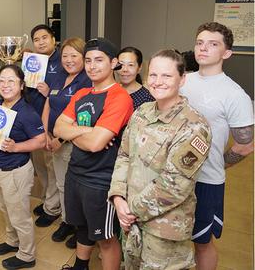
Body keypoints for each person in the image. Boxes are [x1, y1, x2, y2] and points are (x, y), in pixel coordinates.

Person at [108, 49, 212, 269]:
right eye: (153, 75)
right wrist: (118, 197)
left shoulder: (194, 126)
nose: (158, 82)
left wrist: (130, 211)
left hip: (164, 234)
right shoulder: (142, 112)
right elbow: (124, 155)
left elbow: (174, 186)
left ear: (182, 79)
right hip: (131, 224)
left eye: (166, 76)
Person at [180, 22, 254, 270]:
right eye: (200, 42)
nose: (204, 48)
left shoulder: (234, 94)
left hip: (206, 181)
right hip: (173, 176)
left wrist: (217, 164)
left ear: (227, 53)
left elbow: (245, 145)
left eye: (213, 44)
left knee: (202, 242)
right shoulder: (182, 81)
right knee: (174, 237)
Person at [54, 38, 133, 270]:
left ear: (114, 62)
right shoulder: (82, 94)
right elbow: (58, 128)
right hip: (75, 172)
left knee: (106, 238)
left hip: (102, 180)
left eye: (99, 60)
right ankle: (81, 266)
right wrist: (89, 130)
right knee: (82, 226)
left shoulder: (119, 97)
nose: (92, 66)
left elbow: (97, 145)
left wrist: (75, 133)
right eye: (88, 60)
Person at [0, 64, 45, 270]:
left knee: (19, 216)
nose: (5, 85)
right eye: (2, 80)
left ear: (22, 85)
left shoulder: (27, 112)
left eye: (11, 81)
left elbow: (40, 141)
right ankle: (12, 241)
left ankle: (26, 255)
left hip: (15, 171)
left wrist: (16, 147)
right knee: (6, 209)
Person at [41, 37, 91, 245]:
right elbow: (49, 104)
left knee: (75, 187)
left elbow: (83, 117)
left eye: (74, 55)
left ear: (83, 57)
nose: (69, 60)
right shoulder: (60, 76)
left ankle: (80, 227)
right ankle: (67, 221)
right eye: (65, 56)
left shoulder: (87, 80)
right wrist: (45, 132)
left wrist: (59, 138)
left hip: (73, 143)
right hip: (52, 140)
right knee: (61, 184)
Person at [28, 24, 66, 228]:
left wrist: (48, 92)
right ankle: (48, 201)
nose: (41, 42)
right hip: (33, 122)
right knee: (40, 165)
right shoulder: (33, 61)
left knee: (52, 166)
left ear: (53, 39)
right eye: (36, 39)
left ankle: (53, 208)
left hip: (51, 122)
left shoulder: (63, 61)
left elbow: (68, 93)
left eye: (44, 38)